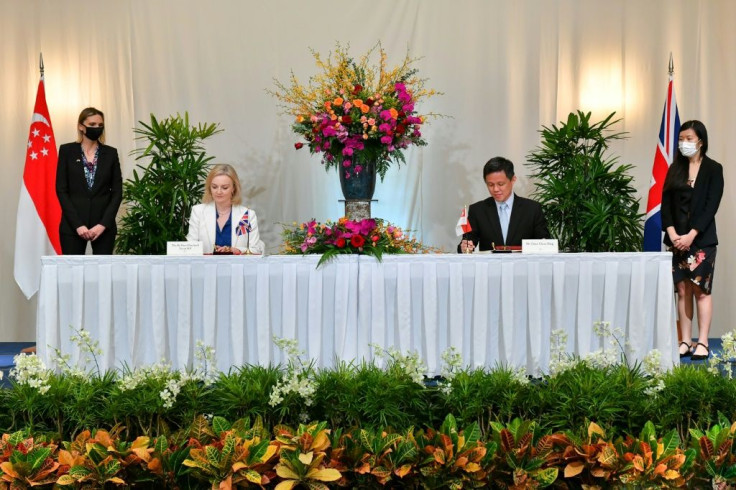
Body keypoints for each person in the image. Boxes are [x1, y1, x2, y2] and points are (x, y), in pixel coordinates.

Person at [661, 120, 723, 361]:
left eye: (688, 138)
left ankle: (703, 341)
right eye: (681, 139)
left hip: (701, 241)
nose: (683, 143)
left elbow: (711, 206)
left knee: (701, 290)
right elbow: (666, 206)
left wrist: (691, 234)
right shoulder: (674, 168)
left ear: (700, 141)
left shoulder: (713, 169)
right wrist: (674, 233)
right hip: (677, 240)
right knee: (682, 290)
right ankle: (685, 340)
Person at [56, 107, 123, 254]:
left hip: (103, 227)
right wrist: (78, 225)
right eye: (92, 125)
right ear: (81, 126)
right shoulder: (67, 151)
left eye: (100, 125)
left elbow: (117, 192)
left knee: (103, 274)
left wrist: (103, 224)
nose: (97, 128)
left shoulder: (111, 153)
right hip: (72, 226)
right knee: (72, 274)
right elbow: (61, 190)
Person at [459, 156, 549, 252]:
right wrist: (464, 247)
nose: (495, 189)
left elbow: (545, 243)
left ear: (513, 179)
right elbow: (467, 242)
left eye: (500, 184)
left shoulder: (532, 209)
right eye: (490, 185)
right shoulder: (477, 210)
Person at [186, 164, 265, 254]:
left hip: (237, 266)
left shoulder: (247, 214)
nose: (218, 192)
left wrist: (237, 250)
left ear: (233, 188)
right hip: (206, 266)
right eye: (214, 187)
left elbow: (256, 250)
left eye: (224, 188)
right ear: (209, 188)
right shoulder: (198, 211)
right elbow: (190, 247)